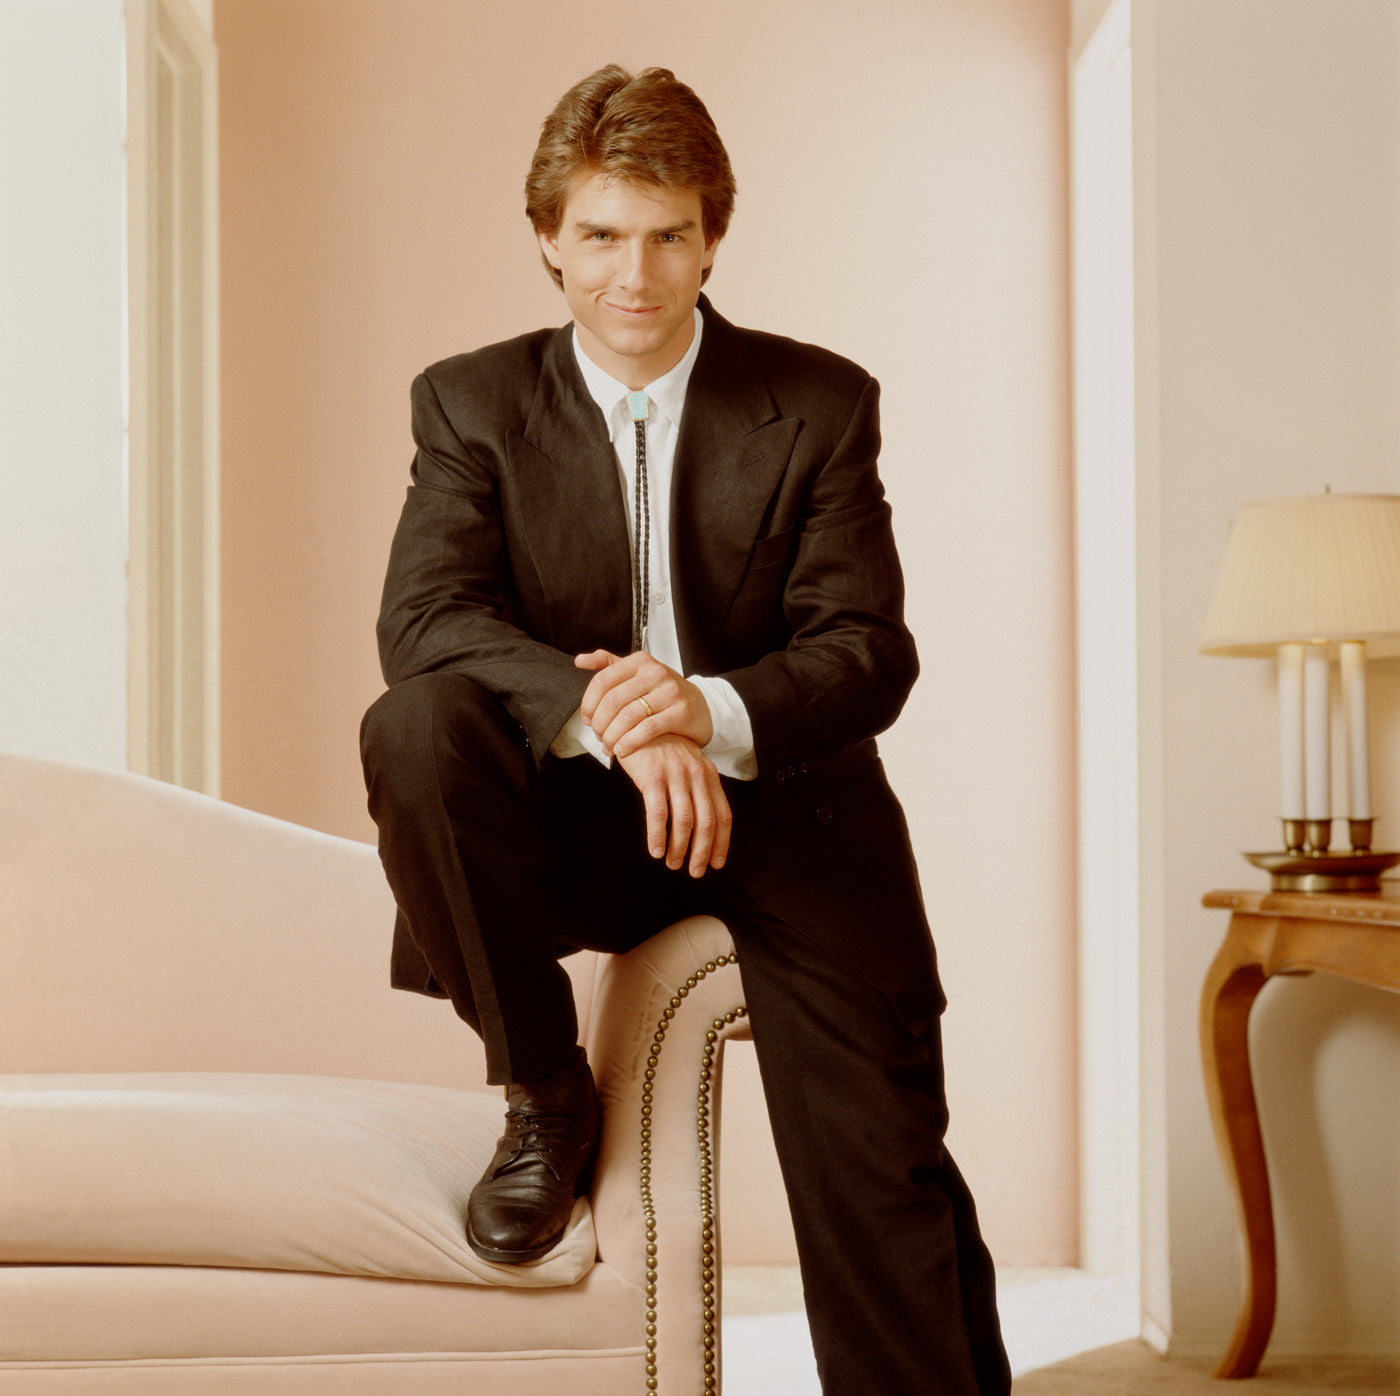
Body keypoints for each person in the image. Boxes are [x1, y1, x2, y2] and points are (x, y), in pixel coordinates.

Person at [359, 63, 1011, 1394]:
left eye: (668, 235)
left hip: (793, 813)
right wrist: (614, 715)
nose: (636, 275)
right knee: (414, 726)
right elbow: (426, 619)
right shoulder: (471, 402)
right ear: (548, 237)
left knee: (885, 1165)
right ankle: (544, 1091)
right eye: (601, 235)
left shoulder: (820, 402)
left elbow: (867, 649)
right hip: (571, 821)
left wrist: (706, 710)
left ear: (715, 236)